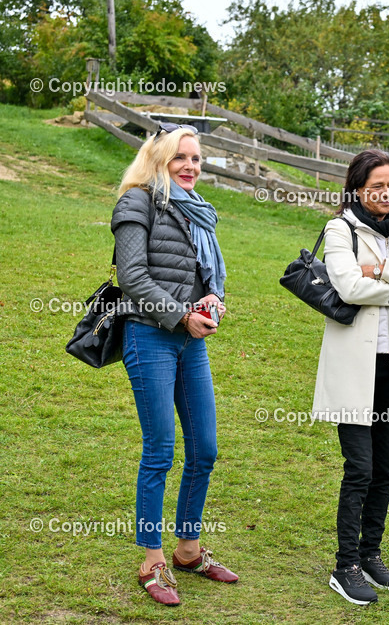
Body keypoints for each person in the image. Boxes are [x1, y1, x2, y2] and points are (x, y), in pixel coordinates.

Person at [111, 122, 236, 607]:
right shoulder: (136, 201)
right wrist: (182, 315)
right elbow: (133, 276)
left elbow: (202, 273)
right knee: (161, 448)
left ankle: (188, 549)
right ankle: (151, 560)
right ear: (158, 159)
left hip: (188, 340)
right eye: (180, 158)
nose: (190, 166)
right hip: (149, 335)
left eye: (196, 159)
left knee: (204, 448)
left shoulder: (195, 212)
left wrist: (210, 299)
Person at [311, 149, 389, 606]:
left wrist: (382, 270)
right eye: (376, 186)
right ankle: (345, 566)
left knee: (385, 467)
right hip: (355, 365)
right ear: (358, 188)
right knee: (360, 468)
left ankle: (371, 554)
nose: (385, 194)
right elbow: (347, 286)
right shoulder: (340, 227)